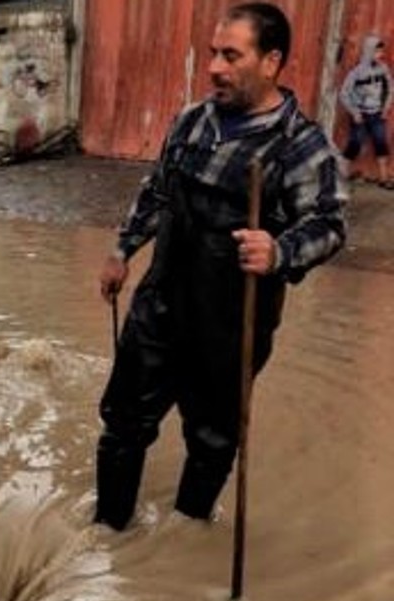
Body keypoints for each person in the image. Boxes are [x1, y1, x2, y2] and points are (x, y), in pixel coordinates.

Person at [93, 2, 347, 532]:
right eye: (213, 54)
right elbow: (156, 193)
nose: (214, 67)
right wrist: (123, 251)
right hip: (160, 305)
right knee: (122, 424)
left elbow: (329, 225)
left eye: (231, 55)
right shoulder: (191, 121)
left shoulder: (301, 146)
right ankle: (109, 529)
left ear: (272, 61)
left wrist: (279, 251)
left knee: (212, 439)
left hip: (232, 325)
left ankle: (187, 536)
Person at [339, 35, 393, 188]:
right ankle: (341, 175)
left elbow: (390, 88)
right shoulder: (356, 72)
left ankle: (383, 179)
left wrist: (385, 108)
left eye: (381, 52)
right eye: (377, 52)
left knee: (381, 143)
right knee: (354, 143)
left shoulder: (383, 69)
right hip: (360, 115)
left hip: (377, 113)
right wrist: (354, 112)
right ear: (369, 51)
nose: (380, 55)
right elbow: (344, 93)